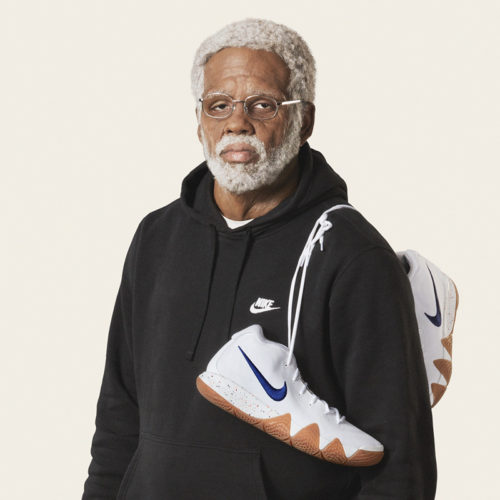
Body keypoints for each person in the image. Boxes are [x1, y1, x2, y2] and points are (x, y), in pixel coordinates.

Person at [82, 18, 444, 499]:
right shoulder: (156, 236)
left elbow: (401, 471)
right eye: (219, 105)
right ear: (199, 120)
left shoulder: (353, 256)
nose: (237, 122)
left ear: (304, 121)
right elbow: (119, 416)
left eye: (263, 105)